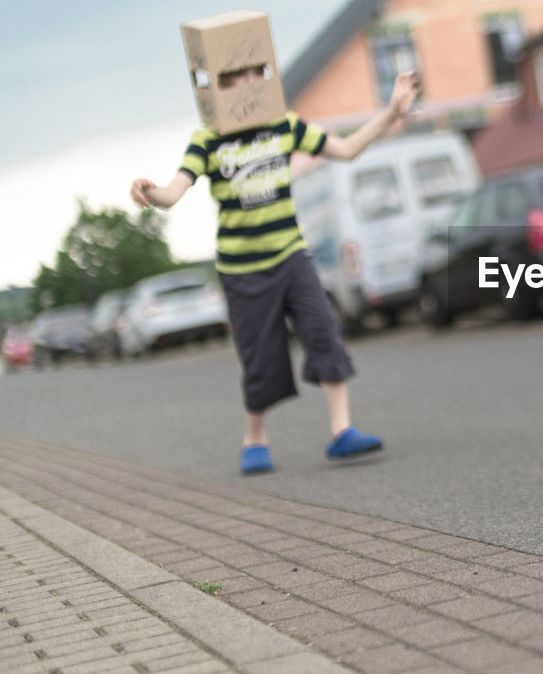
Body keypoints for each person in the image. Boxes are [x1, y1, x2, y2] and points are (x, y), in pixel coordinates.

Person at [131, 65, 420, 473]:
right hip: (241, 268)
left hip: (291, 255)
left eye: (253, 73)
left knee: (323, 331)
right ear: (217, 86)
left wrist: (391, 112)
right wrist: (151, 192)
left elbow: (347, 149)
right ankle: (254, 440)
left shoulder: (285, 126)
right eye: (234, 76)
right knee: (260, 355)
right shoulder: (207, 140)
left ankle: (343, 431)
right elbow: (173, 193)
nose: (246, 83)